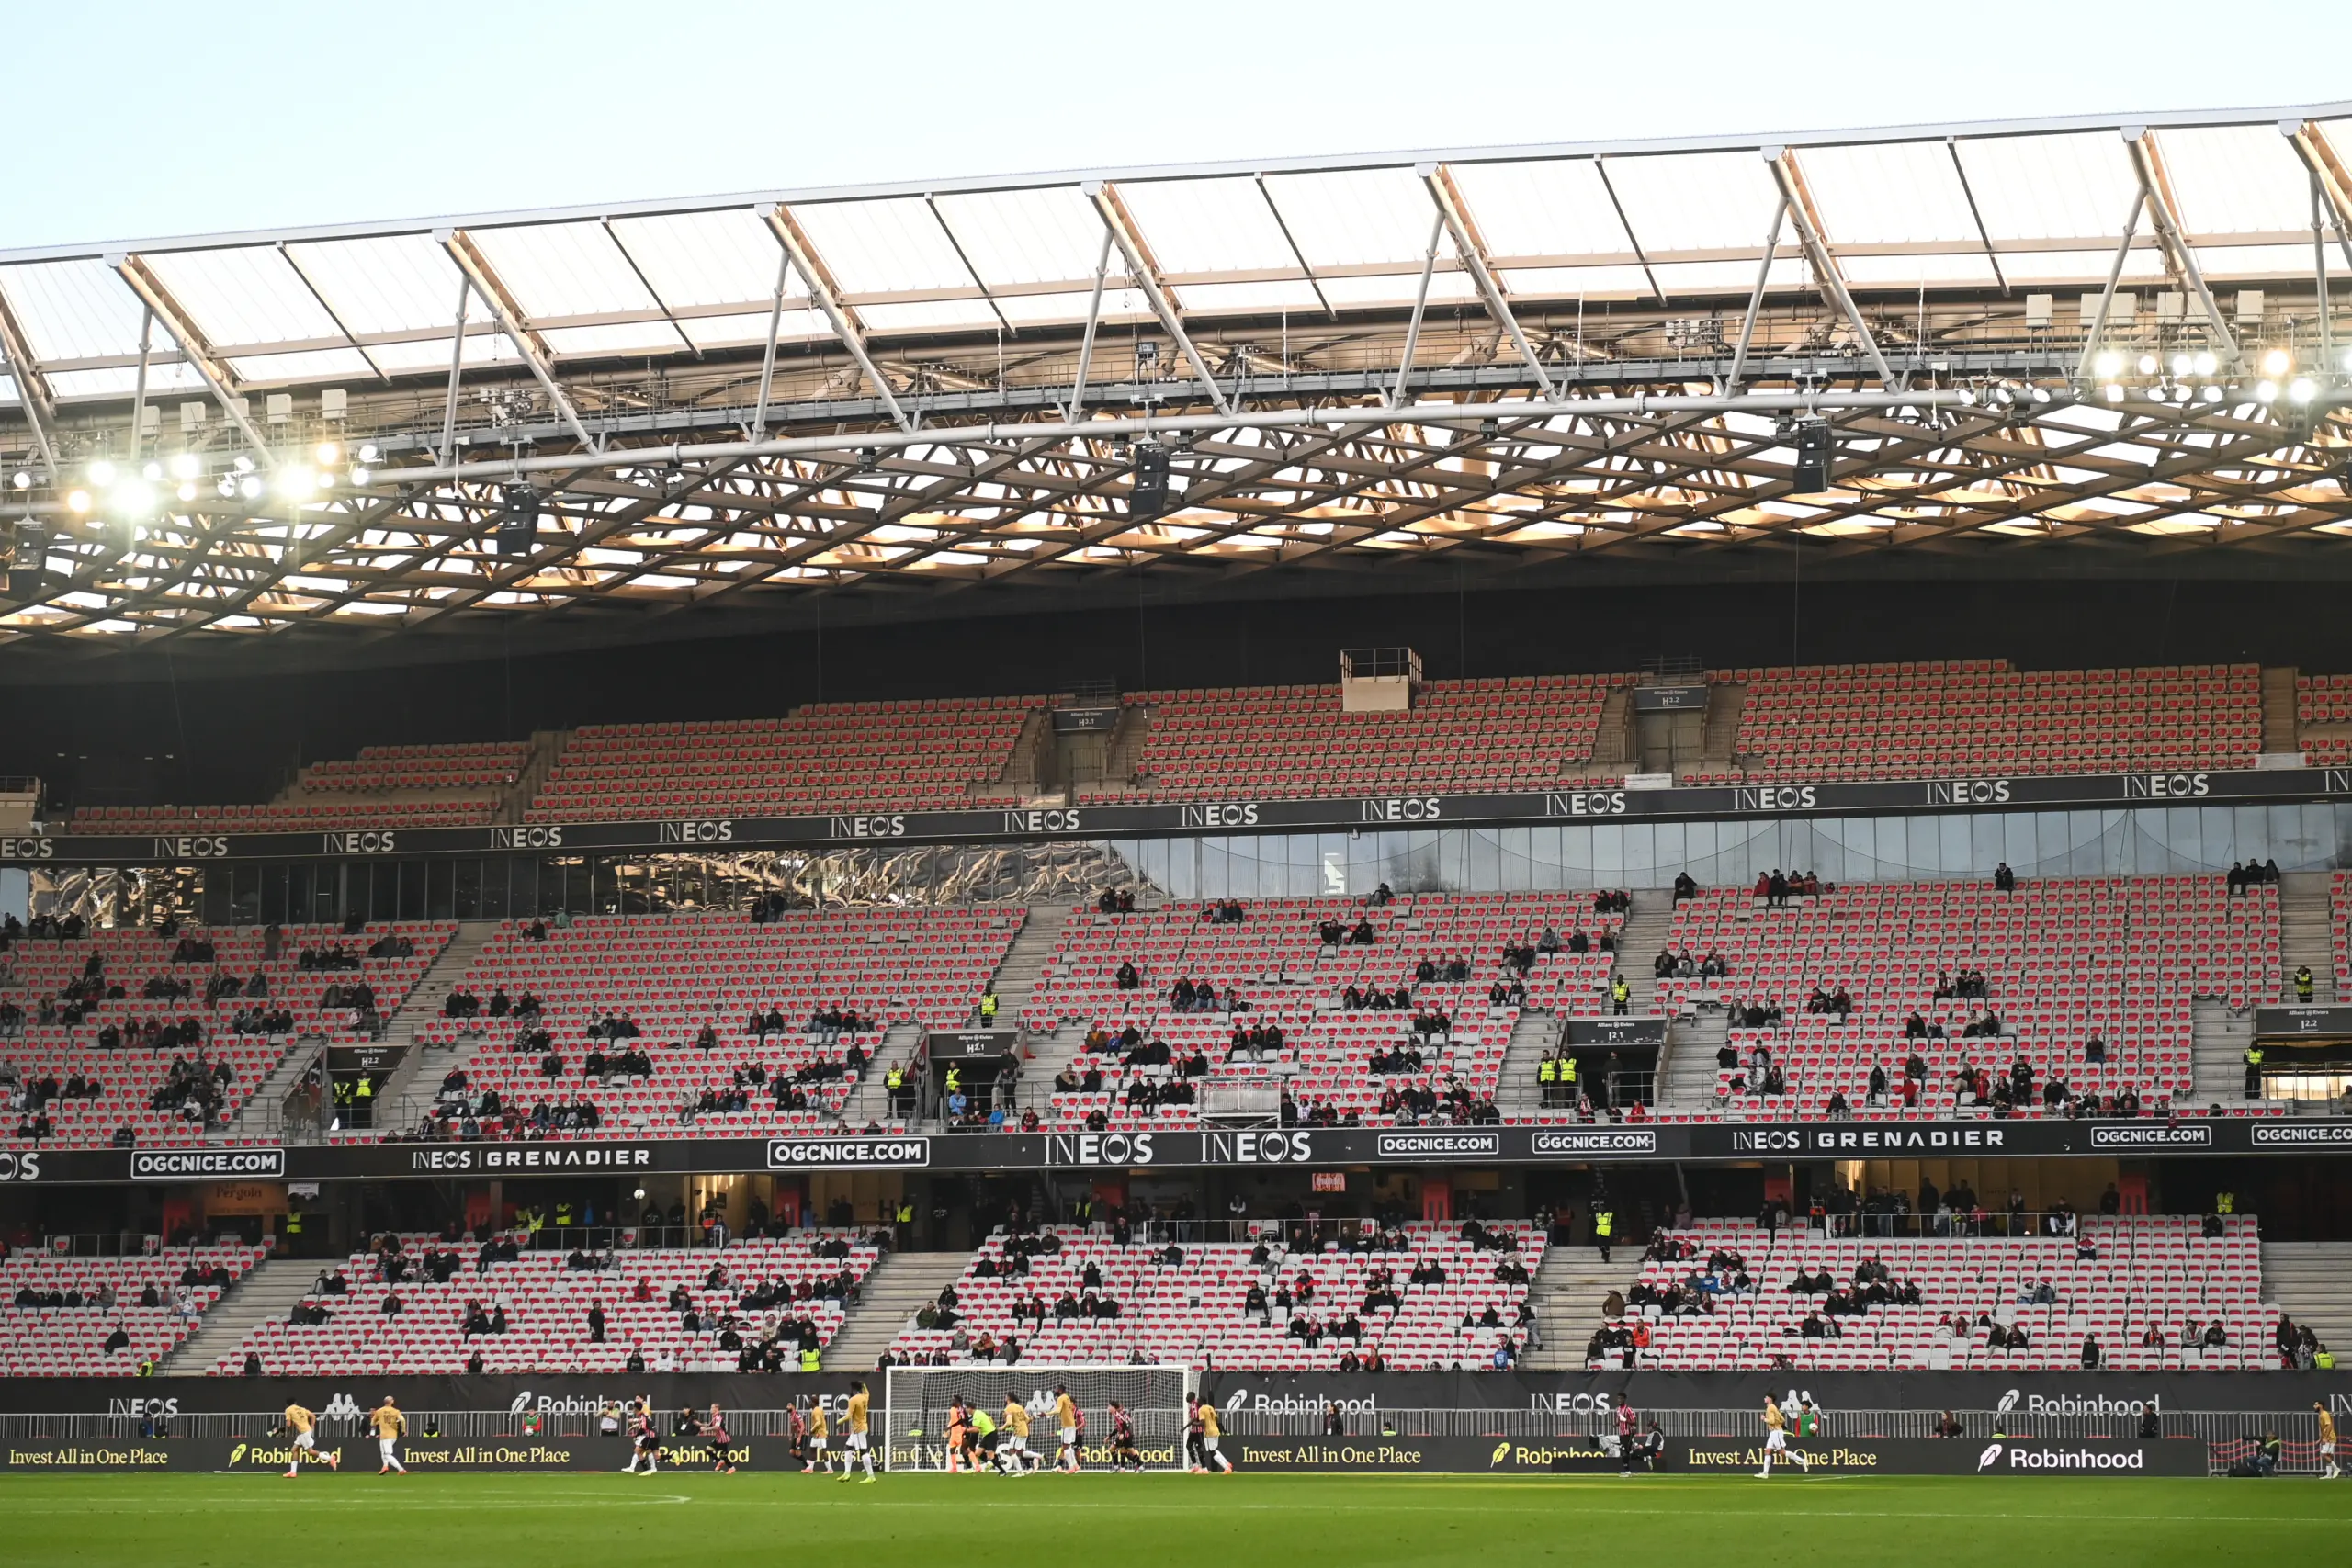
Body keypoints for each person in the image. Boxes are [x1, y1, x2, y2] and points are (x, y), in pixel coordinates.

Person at [280, 1400, 338, 1478]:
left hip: (304, 1432)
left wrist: (287, 1430)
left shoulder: (288, 1410)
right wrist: (312, 1426)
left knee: (311, 1452)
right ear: (295, 1403)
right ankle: (293, 1472)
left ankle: (330, 1458)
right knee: (294, 1450)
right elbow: (313, 1416)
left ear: (287, 1404)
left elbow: (289, 1424)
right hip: (304, 1432)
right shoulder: (302, 1409)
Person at [1756, 1395, 1809, 1478]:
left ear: (1770, 1399)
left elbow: (1772, 1421)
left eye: (1766, 1397)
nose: (1764, 1399)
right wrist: (1778, 1424)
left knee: (1782, 1453)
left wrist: (1764, 1419)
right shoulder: (1774, 1407)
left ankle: (1802, 1461)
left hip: (1776, 1432)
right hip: (1773, 1432)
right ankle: (1765, 1473)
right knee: (1767, 1451)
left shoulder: (1770, 1408)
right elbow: (1783, 1420)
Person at [840, 1380, 876, 1483]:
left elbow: (848, 1416)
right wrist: (863, 1385)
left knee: (863, 1451)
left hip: (859, 1429)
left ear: (854, 1390)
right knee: (847, 1447)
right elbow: (867, 1392)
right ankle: (847, 1473)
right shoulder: (865, 1397)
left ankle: (871, 1476)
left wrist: (839, 1421)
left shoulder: (853, 1399)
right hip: (860, 1427)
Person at [369, 1396, 409, 1475]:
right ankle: (385, 1466)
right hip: (393, 1435)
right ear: (392, 1402)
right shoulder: (395, 1411)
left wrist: (380, 1422)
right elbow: (402, 1420)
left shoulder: (379, 1411)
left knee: (387, 1454)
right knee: (383, 1452)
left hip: (384, 1436)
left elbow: (372, 1423)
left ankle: (401, 1469)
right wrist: (404, 1430)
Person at [1001, 1392, 1035, 1475]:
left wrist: (1002, 1428)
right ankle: (1039, 1457)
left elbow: (1009, 1423)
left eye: (1006, 1397)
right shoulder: (1020, 1407)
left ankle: (1020, 1472)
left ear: (1008, 1398)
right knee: (1020, 1452)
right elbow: (1028, 1420)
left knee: (1011, 1451)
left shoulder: (1009, 1408)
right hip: (1025, 1430)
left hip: (1018, 1431)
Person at [1054, 1383, 1083, 1473]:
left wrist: (1047, 1414)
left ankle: (1072, 1467)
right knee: (1067, 1448)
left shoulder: (1078, 1412)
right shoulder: (1068, 1407)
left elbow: (1084, 1422)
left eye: (1056, 1389)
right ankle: (1074, 1466)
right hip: (1070, 1428)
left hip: (1074, 1431)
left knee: (1069, 1448)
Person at [1109, 1401, 1143, 1472]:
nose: (1108, 1408)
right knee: (1129, 1451)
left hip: (1126, 1435)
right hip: (1127, 1434)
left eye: (1109, 1407)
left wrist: (1122, 1433)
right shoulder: (1117, 1414)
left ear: (1113, 1408)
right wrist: (1110, 1436)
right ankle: (1140, 1466)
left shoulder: (1117, 1415)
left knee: (1114, 1449)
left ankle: (1118, 1467)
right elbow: (1120, 1426)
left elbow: (1124, 1423)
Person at [804, 1396, 833, 1473]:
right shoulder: (819, 1409)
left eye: (810, 1401)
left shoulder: (816, 1411)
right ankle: (811, 1468)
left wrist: (811, 1429)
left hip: (819, 1434)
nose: (809, 1403)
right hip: (817, 1434)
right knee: (812, 1449)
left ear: (813, 1403)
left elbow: (818, 1422)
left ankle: (830, 1469)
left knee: (823, 1452)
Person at [2318, 1402, 2340, 1480]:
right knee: (2329, 1456)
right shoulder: (2321, 1415)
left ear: (2320, 1406)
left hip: (2330, 1438)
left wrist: (2326, 1438)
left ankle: (2336, 1469)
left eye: (2316, 1404)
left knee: (2324, 1454)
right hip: (2327, 1438)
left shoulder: (2325, 1414)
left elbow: (2329, 1426)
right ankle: (2329, 1474)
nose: (2314, 1406)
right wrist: (2320, 1439)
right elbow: (2322, 1429)